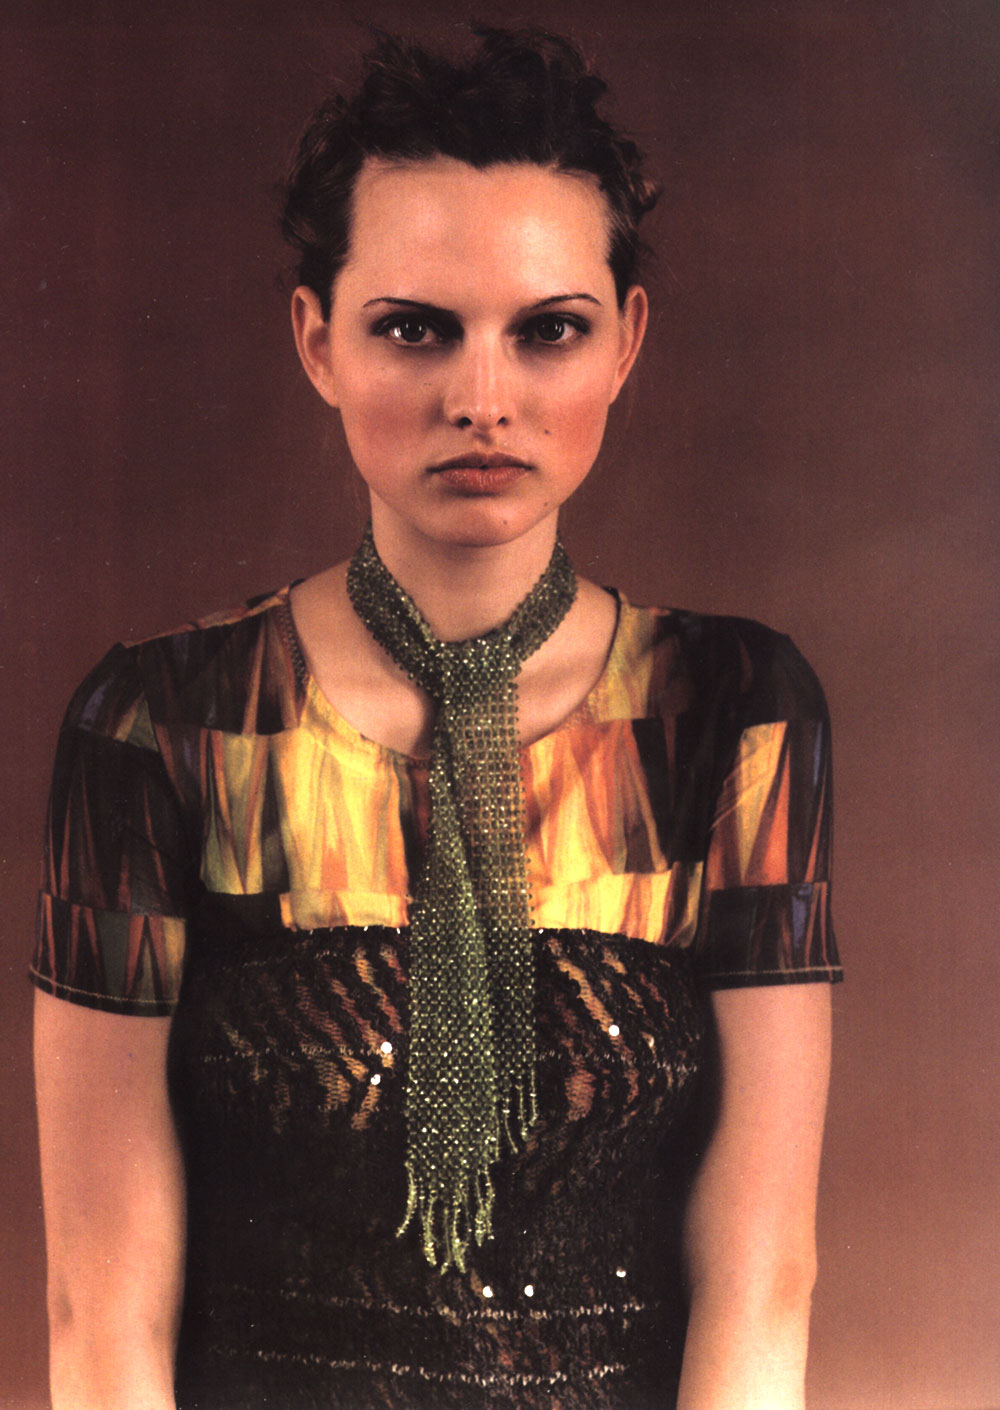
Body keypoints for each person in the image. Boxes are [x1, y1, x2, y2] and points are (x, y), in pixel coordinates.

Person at [32, 25, 841, 1410]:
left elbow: (765, 1272)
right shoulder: (161, 725)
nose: (482, 400)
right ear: (317, 340)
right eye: (415, 327)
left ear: (627, 341)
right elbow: (98, 1303)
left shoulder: (732, 713)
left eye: (549, 330)